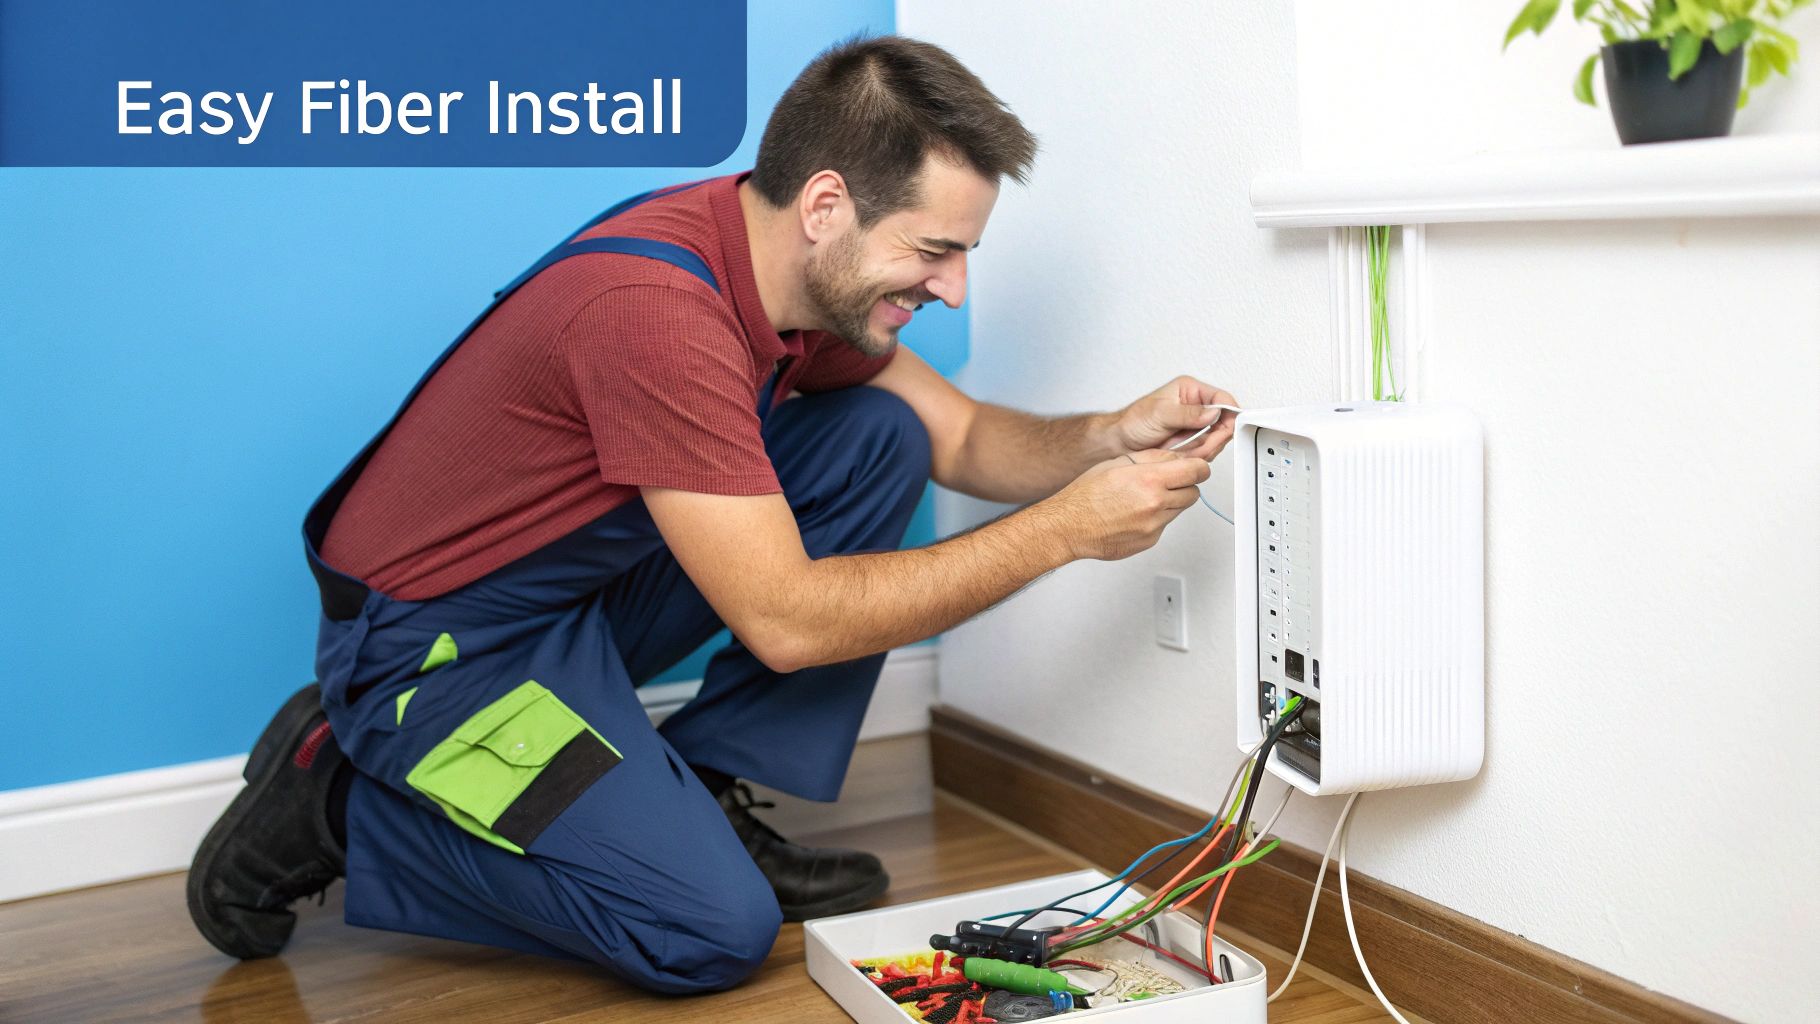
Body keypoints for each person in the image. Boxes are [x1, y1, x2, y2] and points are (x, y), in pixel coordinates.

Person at [187, 35, 1238, 994]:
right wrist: (1065, 529)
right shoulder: (656, 316)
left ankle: (704, 788)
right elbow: (788, 621)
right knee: (705, 929)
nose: (952, 288)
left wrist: (1111, 433)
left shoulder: (786, 270)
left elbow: (958, 437)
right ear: (826, 206)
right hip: (439, 654)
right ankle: (333, 795)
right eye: (932, 250)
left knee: (880, 434)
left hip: (571, 591)